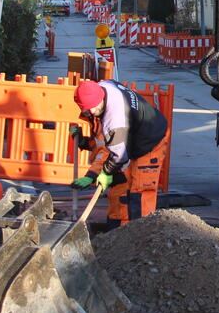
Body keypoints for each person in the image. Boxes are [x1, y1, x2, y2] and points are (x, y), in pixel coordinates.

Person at [70, 79, 169, 227]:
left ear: (100, 99)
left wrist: (101, 173)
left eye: (93, 108)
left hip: (151, 140)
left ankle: (140, 236)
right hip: (130, 141)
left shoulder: (114, 118)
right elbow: (103, 144)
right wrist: (85, 143)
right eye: (86, 109)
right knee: (119, 185)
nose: (90, 112)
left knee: (139, 191)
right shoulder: (104, 88)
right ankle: (115, 235)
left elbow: (118, 155)